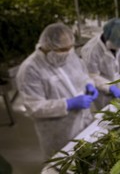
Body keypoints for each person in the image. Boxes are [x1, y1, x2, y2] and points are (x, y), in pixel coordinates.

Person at [16, 23, 98, 159]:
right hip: (59, 132)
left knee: (88, 160)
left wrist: (90, 85)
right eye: (62, 50)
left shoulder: (69, 56)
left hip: (84, 121)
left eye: (70, 48)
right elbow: (34, 107)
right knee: (64, 163)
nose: (67, 53)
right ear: (47, 46)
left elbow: (83, 75)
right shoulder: (30, 69)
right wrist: (68, 104)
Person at [81, 18, 120, 110]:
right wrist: (110, 88)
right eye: (119, 45)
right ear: (107, 37)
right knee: (109, 115)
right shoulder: (91, 51)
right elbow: (92, 76)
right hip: (104, 95)